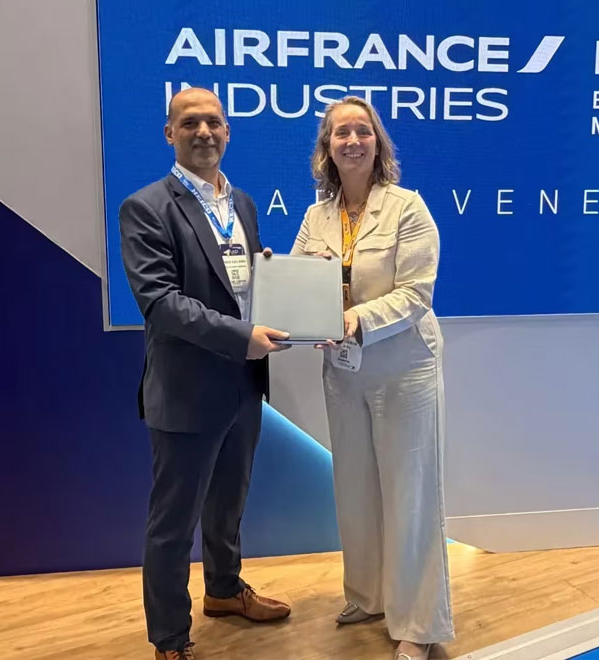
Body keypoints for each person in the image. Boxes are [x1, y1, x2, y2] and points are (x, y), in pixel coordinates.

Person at [119, 87, 292, 660]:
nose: (204, 132)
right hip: (187, 389)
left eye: (214, 122)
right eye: (190, 122)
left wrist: (291, 295)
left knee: (228, 503)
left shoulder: (242, 203)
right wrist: (243, 337)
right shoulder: (146, 207)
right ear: (169, 133)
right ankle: (170, 638)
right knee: (173, 523)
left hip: (244, 383)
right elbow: (161, 303)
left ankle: (223, 590)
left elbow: (244, 282)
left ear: (228, 132)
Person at [291, 96, 454, 660]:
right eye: (341, 133)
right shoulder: (316, 216)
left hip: (404, 368)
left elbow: (416, 294)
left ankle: (419, 624)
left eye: (363, 131)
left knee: (410, 495)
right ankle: (369, 596)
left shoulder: (408, 208)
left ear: (378, 143)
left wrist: (354, 319)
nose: (353, 141)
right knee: (355, 489)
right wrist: (289, 305)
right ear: (327, 148)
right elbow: (300, 285)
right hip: (343, 372)